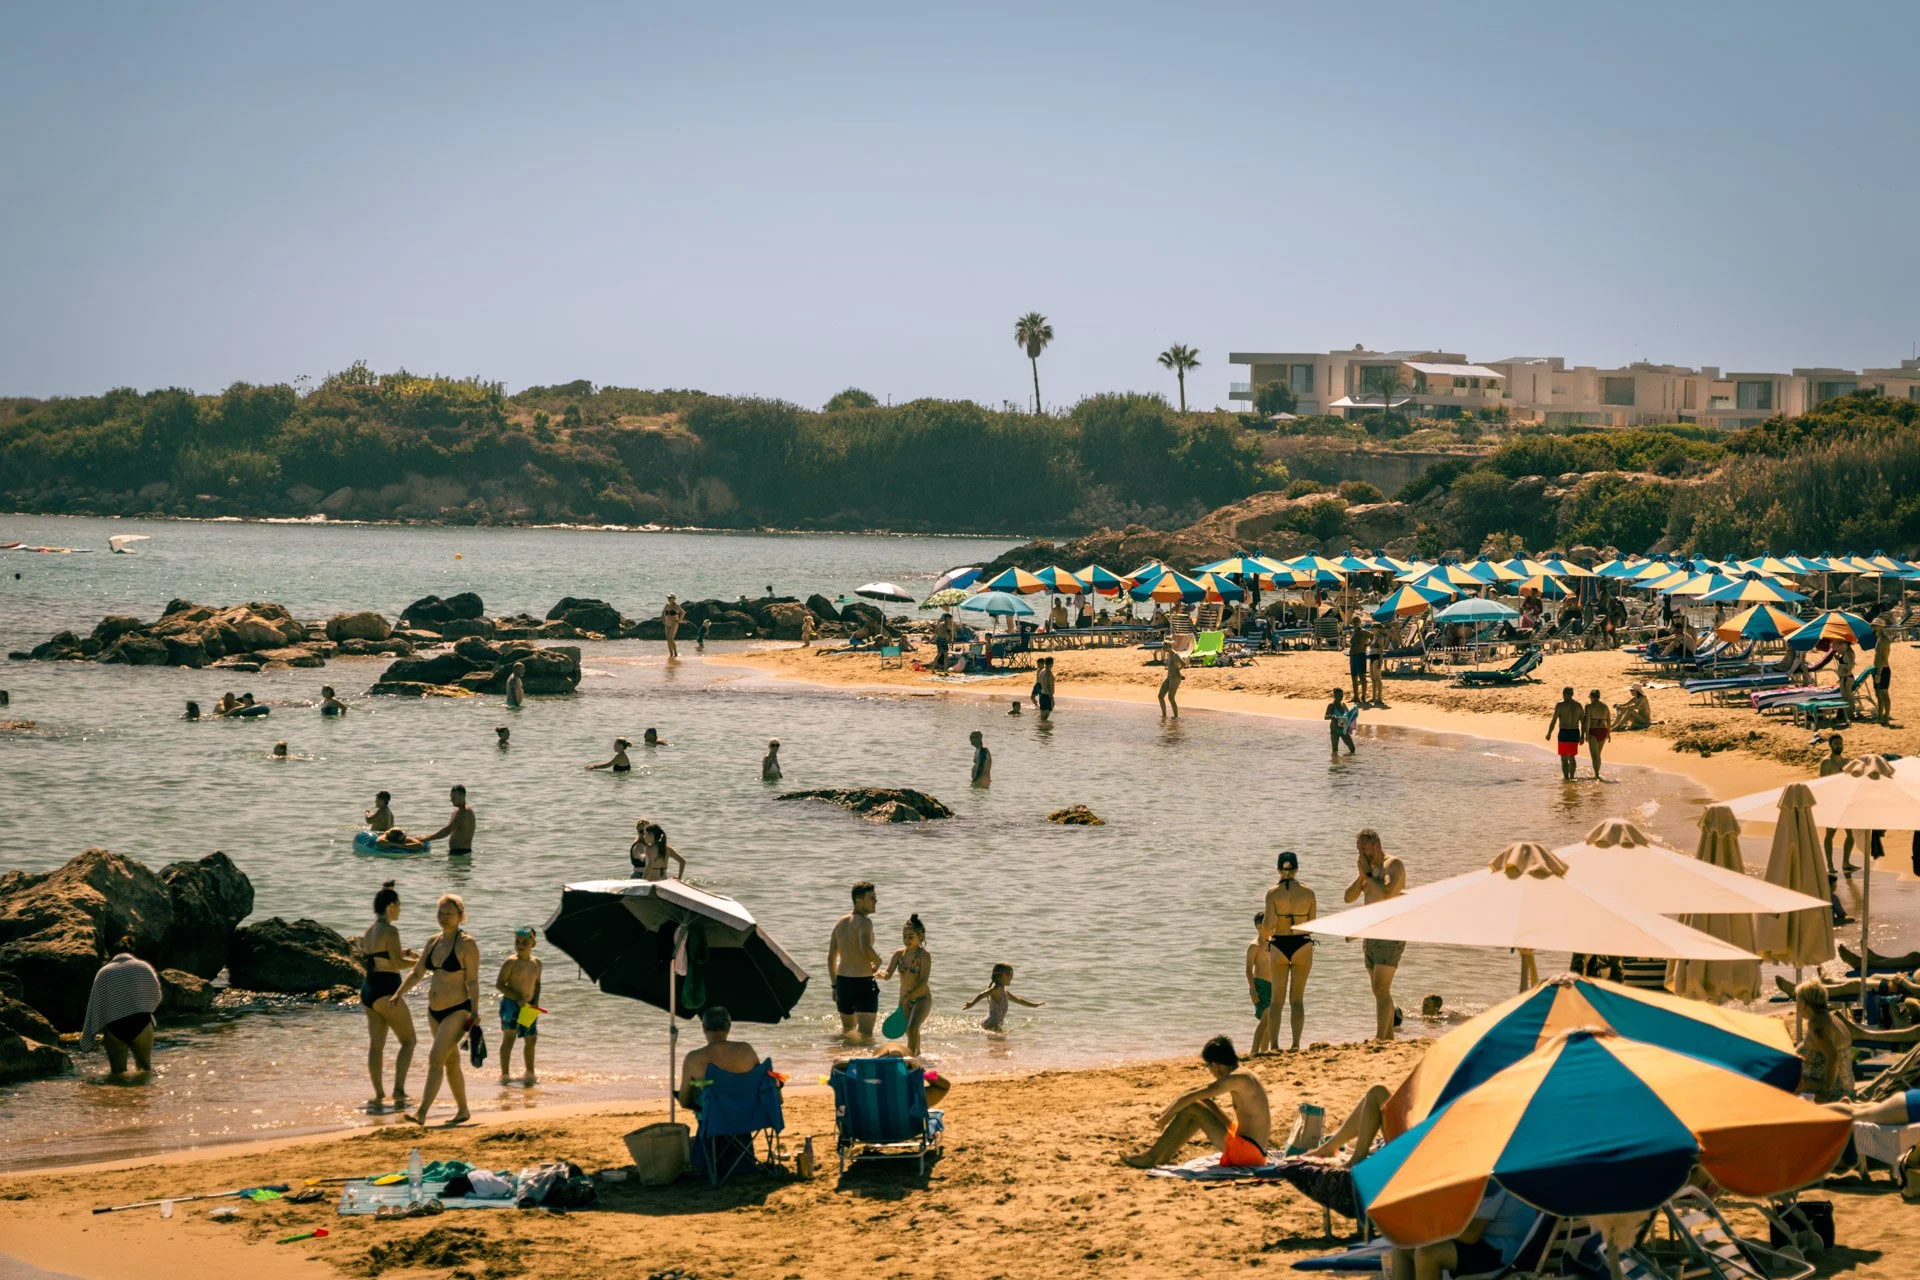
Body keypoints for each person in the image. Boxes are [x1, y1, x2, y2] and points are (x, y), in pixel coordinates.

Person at [1122, 1035, 1271, 1169]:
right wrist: (1166, 1112)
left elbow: (1189, 1098)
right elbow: (1193, 1091)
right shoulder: (1243, 1074)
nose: (1210, 1071)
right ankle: (1164, 1157)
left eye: (1208, 1067)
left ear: (1216, 1065)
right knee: (1197, 1107)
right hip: (1252, 1148)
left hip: (1248, 1154)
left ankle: (1150, 1158)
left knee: (1193, 1108)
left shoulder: (1235, 1079)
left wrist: (1163, 1120)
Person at [395, 893, 480, 1126]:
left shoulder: (467, 944)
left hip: (457, 1010)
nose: (443, 917)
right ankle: (463, 1111)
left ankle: (421, 1113)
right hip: (434, 1011)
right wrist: (398, 993)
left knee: (435, 1059)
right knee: (450, 1061)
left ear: (460, 916)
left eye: (449, 913)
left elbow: (472, 981)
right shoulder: (433, 941)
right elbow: (417, 972)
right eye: (440, 912)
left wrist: (474, 1011)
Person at [1388, 1185, 1539, 1280]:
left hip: (1504, 1251)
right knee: (1403, 1247)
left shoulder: (1491, 1182)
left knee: (1428, 1253)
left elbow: (1471, 1235)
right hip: (1490, 1243)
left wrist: (1428, 1222)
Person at [358, 881, 415, 1111]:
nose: (400, 909)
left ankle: (379, 1094)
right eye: (399, 905)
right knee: (409, 1041)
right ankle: (398, 1090)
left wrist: (405, 954)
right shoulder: (391, 930)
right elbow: (396, 963)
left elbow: (381, 956)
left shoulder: (370, 931)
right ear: (391, 906)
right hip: (386, 989)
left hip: (368, 991)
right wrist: (422, 963)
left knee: (376, 1046)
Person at [1344, 830, 1405, 1041]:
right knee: (1379, 990)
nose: (1361, 852)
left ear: (1377, 845)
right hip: (1370, 935)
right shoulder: (1369, 870)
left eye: (1365, 848)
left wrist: (1369, 875)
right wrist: (1362, 876)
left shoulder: (1393, 864)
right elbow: (1348, 897)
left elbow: (1388, 892)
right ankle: (1388, 1037)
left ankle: (1380, 1038)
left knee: (1380, 988)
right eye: (1358, 848)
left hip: (1390, 934)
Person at [677, 1005, 765, 1128]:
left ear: (703, 1027)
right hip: (743, 1121)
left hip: (711, 1126)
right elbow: (761, 1083)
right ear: (729, 1027)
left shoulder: (693, 1058)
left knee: (699, 1087)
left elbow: (684, 1101)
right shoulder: (746, 1050)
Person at [80, 944, 161, 1078]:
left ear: (112, 955)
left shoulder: (103, 972)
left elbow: (96, 1003)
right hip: (140, 1023)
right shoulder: (144, 967)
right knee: (145, 1069)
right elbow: (156, 995)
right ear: (132, 953)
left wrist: (95, 1028)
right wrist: (144, 1007)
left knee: (117, 1075)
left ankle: (118, 1097)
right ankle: (142, 1097)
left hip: (115, 1026)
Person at [1264, 850, 1317, 1051]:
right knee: (1297, 999)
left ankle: (1275, 1045)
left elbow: (1268, 925)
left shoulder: (1272, 893)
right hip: (1302, 944)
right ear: (1297, 868)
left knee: (1276, 1001)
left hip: (1279, 944)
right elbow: (1312, 925)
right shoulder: (1309, 893)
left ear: (1278, 868)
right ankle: (1295, 1044)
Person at [828, 882, 883, 1040]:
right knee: (865, 1035)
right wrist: (877, 960)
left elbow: (831, 957)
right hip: (863, 982)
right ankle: (863, 1063)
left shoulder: (840, 923)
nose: (875, 901)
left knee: (848, 1032)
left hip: (843, 983)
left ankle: (846, 1061)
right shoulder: (865, 922)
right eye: (871, 898)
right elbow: (865, 947)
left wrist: (834, 986)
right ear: (858, 900)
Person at [879, 914, 933, 1057]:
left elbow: (923, 982)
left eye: (910, 936)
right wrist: (879, 973)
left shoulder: (924, 956)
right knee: (911, 1032)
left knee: (912, 1028)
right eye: (904, 936)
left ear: (920, 936)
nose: (906, 940)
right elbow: (888, 974)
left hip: (922, 999)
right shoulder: (899, 954)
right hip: (905, 1001)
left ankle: (910, 1060)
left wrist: (910, 996)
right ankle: (918, 1058)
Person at [496, 926, 542, 1085]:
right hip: (510, 1004)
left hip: (528, 1005)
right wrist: (517, 998)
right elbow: (500, 985)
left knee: (531, 1039)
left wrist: (535, 1002)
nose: (521, 946)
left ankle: (530, 1073)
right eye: (517, 942)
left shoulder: (537, 963)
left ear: (533, 944)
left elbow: (537, 984)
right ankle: (505, 1075)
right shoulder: (511, 962)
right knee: (509, 1038)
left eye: (525, 943)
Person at [1795, 980, 1854, 1103]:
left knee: (1781, 1081)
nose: (1796, 1007)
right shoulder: (1831, 1018)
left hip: (1832, 1089)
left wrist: (1827, 1090)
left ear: (1805, 1004)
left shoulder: (1817, 1025)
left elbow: (1833, 1056)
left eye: (1797, 1001)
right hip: (1846, 1084)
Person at [963, 963, 1041, 1032]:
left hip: (994, 1025)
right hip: (990, 1024)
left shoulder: (1006, 993)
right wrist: (971, 1004)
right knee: (1002, 1044)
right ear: (1003, 976)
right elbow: (983, 994)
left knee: (999, 1046)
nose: (1012, 977)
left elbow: (1019, 1000)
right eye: (1011, 975)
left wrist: (1034, 1005)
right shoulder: (996, 989)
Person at [1819, 734, 1857, 876]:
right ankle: (1829, 865)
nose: (1839, 746)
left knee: (1851, 834)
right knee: (1830, 834)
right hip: (1832, 803)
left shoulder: (1847, 760)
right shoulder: (1826, 762)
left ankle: (1846, 863)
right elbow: (1823, 784)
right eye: (1836, 743)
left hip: (1845, 802)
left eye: (1840, 743)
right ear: (1830, 745)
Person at [1245, 913, 1276, 1056]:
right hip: (1260, 985)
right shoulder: (1254, 946)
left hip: (1273, 985)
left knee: (1271, 1023)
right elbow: (1248, 970)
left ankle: (1264, 1051)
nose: (1273, 928)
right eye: (1270, 926)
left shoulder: (1272, 943)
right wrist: (1253, 990)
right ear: (1260, 927)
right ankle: (1253, 1051)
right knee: (1265, 1020)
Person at [422, 785, 476, 858]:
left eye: (454, 797)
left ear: (462, 796)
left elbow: (447, 831)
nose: (451, 800)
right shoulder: (457, 811)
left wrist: (426, 838)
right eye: (451, 797)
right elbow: (447, 828)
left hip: (461, 853)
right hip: (456, 852)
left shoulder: (464, 812)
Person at [1546, 686, 1583, 781]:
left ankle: (1566, 779)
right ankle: (1572, 777)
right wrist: (1582, 736)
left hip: (1564, 732)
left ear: (1564, 694)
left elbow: (1554, 720)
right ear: (1572, 694)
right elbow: (1583, 722)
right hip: (1575, 732)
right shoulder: (1578, 705)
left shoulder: (1560, 705)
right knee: (1572, 756)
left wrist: (1549, 733)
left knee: (1564, 758)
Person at [1582, 688, 1611, 780]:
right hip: (1603, 730)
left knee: (1594, 756)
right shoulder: (1605, 706)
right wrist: (1609, 733)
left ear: (1591, 696)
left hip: (1593, 731)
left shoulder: (1588, 707)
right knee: (1598, 755)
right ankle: (1597, 774)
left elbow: (1587, 721)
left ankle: (1597, 775)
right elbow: (1609, 721)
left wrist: (1586, 733)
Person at [1872, 615, 1893, 724]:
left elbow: (1884, 657)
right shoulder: (1879, 638)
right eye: (1873, 626)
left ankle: (1886, 716)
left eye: (1876, 626)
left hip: (1883, 669)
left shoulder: (1884, 639)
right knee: (1878, 694)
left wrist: (1879, 672)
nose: (1874, 628)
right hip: (1878, 668)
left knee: (1884, 693)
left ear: (1881, 627)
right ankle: (1880, 717)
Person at [1325, 688, 1355, 757]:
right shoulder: (1331, 705)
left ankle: (1348, 763)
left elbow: (1348, 715)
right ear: (1334, 696)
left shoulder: (1343, 705)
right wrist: (1332, 716)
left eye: (1342, 695)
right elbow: (1326, 717)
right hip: (1334, 730)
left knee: (1352, 748)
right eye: (1339, 696)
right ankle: (1335, 764)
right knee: (1335, 751)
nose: (1341, 697)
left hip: (1342, 728)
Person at [1158, 642, 1185, 719]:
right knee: (1160, 696)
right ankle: (1164, 716)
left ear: (1170, 646)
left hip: (1175, 678)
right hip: (1169, 677)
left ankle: (1176, 717)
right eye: (1163, 647)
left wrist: (1178, 670)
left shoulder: (1175, 655)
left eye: (1165, 647)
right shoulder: (1168, 655)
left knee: (1171, 698)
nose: (1163, 648)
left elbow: (1184, 663)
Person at [1347, 624, 1368, 706]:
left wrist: (1366, 645)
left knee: (1362, 676)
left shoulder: (1363, 632)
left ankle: (1363, 696)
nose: (1355, 623)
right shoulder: (1352, 632)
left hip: (1360, 655)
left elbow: (1373, 636)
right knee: (1354, 676)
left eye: (1356, 621)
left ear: (1359, 622)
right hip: (1353, 655)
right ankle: (1356, 696)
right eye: (1354, 621)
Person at [1367, 625, 1387, 708]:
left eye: (1373, 627)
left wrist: (1380, 660)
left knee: (1378, 678)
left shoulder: (1380, 638)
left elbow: (1381, 650)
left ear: (1377, 629)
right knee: (1372, 678)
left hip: (1376, 658)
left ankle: (1379, 697)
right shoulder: (1373, 638)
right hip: (1371, 657)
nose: (1371, 629)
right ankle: (1373, 697)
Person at [662, 594, 685, 658]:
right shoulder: (667, 606)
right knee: (668, 640)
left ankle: (675, 653)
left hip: (674, 624)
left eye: (670, 598)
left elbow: (683, 612)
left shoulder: (676, 606)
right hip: (667, 624)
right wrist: (663, 620)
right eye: (668, 598)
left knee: (671, 639)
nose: (669, 599)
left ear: (674, 599)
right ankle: (671, 654)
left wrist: (679, 620)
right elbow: (663, 613)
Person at [1036, 656, 1056, 722]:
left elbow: (1042, 682)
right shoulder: (1048, 673)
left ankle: (1039, 730)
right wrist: (1052, 699)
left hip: (1043, 695)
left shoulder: (1042, 671)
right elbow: (1048, 686)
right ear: (1052, 664)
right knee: (1044, 719)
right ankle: (1042, 730)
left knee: (1042, 718)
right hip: (1047, 696)